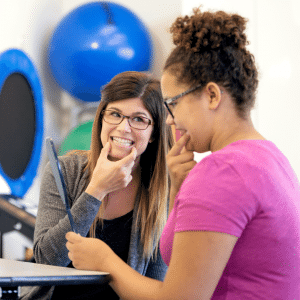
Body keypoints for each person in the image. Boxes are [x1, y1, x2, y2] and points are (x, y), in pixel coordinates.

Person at [66, 7, 300, 300]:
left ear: (212, 96)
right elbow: (186, 263)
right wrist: (180, 187)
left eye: (172, 103)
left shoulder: (223, 171)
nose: (169, 119)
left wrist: (105, 261)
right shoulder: (269, 157)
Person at [21, 71, 173, 300]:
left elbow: (155, 288)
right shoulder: (65, 170)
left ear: (153, 133)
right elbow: (46, 262)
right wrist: (96, 191)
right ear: (101, 118)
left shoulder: (163, 193)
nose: (123, 128)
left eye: (139, 119)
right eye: (115, 114)